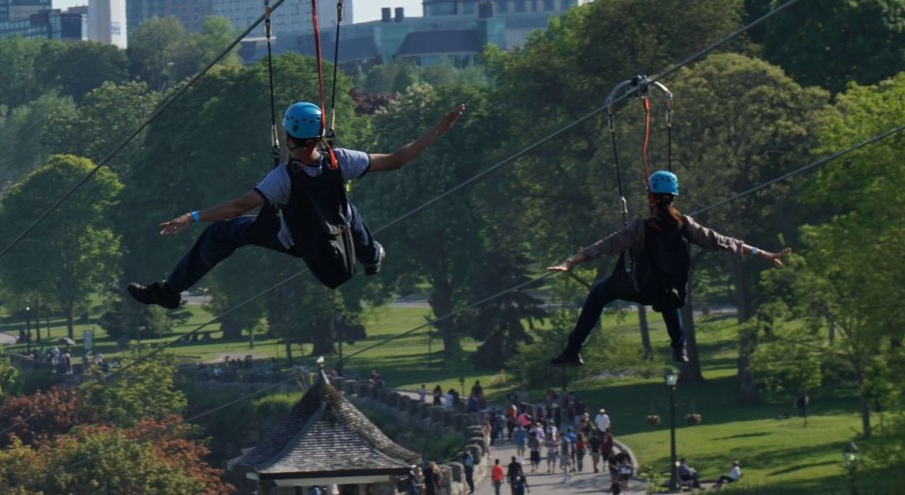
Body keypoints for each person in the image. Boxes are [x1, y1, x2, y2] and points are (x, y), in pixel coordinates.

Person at [128, 101, 467, 306]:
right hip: (336, 233)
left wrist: (192, 216)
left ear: (288, 137)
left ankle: (169, 291)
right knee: (347, 211)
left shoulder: (283, 178)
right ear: (319, 136)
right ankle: (370, 254)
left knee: (224, 233)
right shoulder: (341, 160)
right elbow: (396, 160)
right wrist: (437, 130)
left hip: (295, 241)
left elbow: (239, 206)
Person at [548, 170, 790, 365]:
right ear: (673, 197)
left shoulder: (640, 227)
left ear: (650, 197)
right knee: (668, 294)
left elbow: (604, 246)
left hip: (640, 286)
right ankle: (679, 348)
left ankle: (573, 350)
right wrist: (764, 253)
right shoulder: (685, 224)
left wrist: (570, 262)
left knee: (599, 293)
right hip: (671, 291)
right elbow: (722, 241)